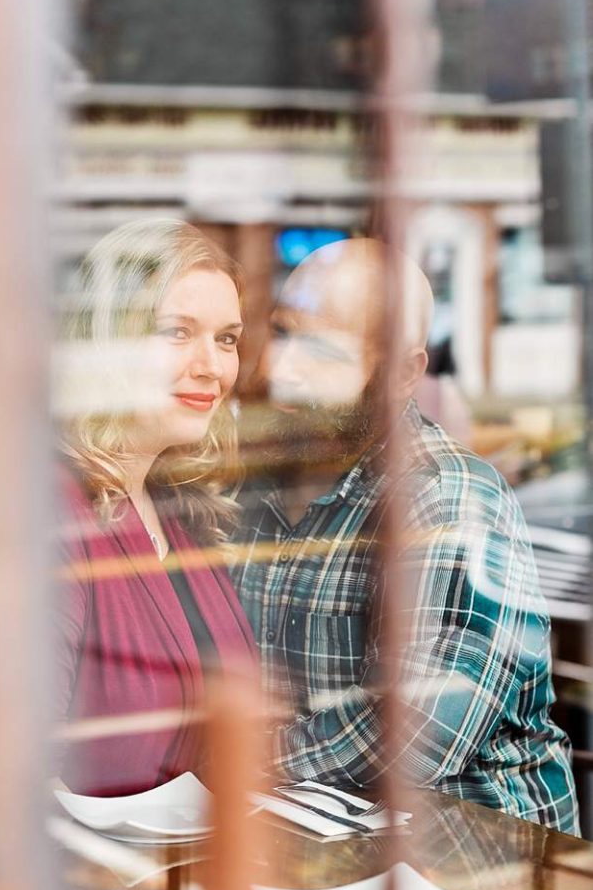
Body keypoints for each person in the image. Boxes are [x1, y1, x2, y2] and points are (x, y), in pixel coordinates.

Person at [232, 237, 579, 834]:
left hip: (475, 858)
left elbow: (411, 739)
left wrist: (232, 757)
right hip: (308, 835)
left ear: (402, 373)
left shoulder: (449, 498)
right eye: (283, 333)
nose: (279, 370)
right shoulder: (254, 485)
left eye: (318, 349)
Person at [55, 218, 256, 797]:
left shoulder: (180, 509)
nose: (212, 368)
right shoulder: (55, 514)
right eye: (176, 332)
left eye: (226, 339)